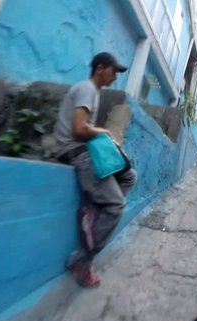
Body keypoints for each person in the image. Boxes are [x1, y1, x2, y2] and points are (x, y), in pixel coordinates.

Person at [53, 52, 137, 287]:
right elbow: (79, 129)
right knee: (117, 206)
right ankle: (81, 261)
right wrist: (105, 132)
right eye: (113, 71)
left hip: (87, 150)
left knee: (129, 176)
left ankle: (94, 210)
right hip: (77, 153)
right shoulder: (87, 89)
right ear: (100, 68)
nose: (115, 77)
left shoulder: (93, 92)